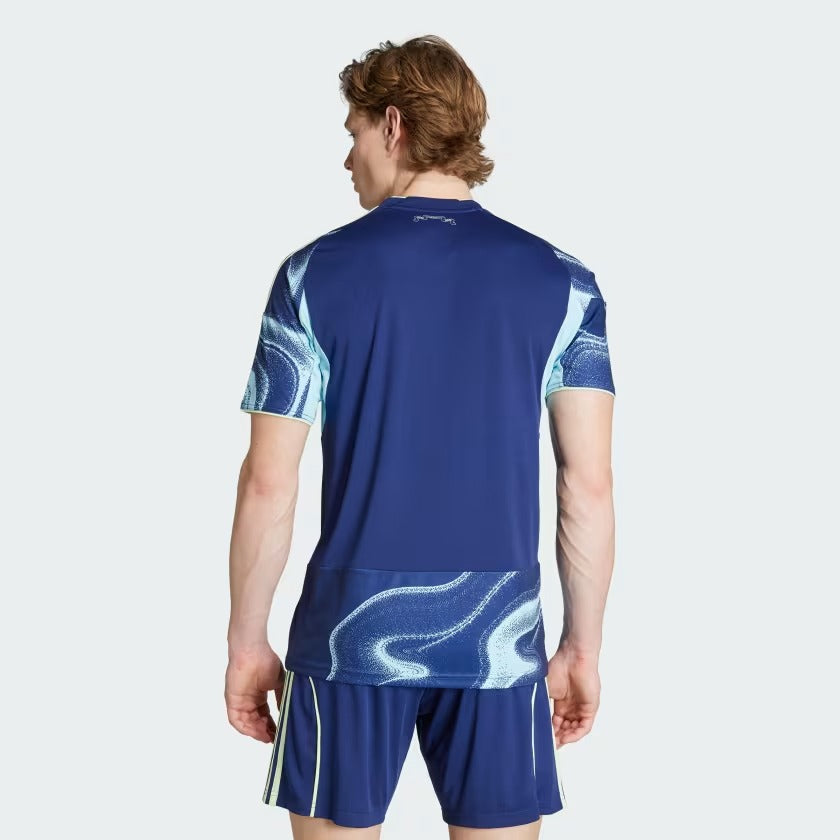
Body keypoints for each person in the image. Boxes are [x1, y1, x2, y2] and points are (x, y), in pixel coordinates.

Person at [225, 34, 616, 840]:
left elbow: (269, 481)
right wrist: (581, 646)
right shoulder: (566, 282)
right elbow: (587, 484)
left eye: (354, 134)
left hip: (349, 636)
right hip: (500, 637)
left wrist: (245, 640)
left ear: (394, 125)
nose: (348, 160)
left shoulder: (311, 277)